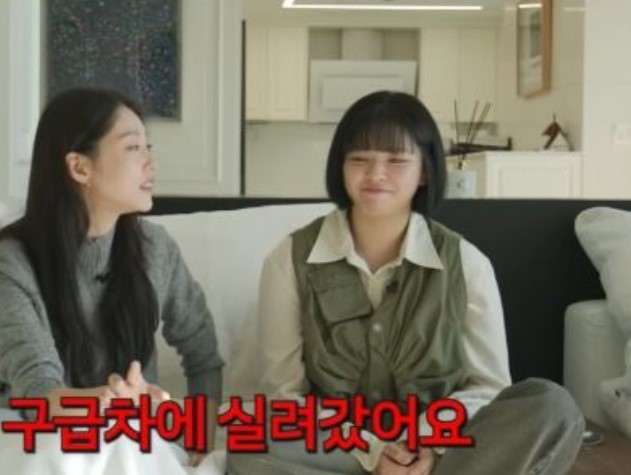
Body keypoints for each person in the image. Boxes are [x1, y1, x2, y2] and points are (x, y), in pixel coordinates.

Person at [227, 91, 583, 475]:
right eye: (359, 159)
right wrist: (372, 451)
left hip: (441, 452)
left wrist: (426, 442)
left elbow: (487, 389)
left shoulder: (467, 264)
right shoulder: (289, 260)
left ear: (425, 170)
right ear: (341, 166)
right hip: (338, 452)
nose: (375, 174)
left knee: (551, 406)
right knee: (251, 436)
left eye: (396, 160)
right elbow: (284, 398)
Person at [0, 87, 224, 474]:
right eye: (133, 148)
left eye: (148, 147)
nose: (151, 163)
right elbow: (39, 391)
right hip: (40, 431)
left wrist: (200, 441)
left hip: (131, 435)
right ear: (80, 167)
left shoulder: (155, 249)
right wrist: (109, 403)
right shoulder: (10, 260)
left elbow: (203, 355)